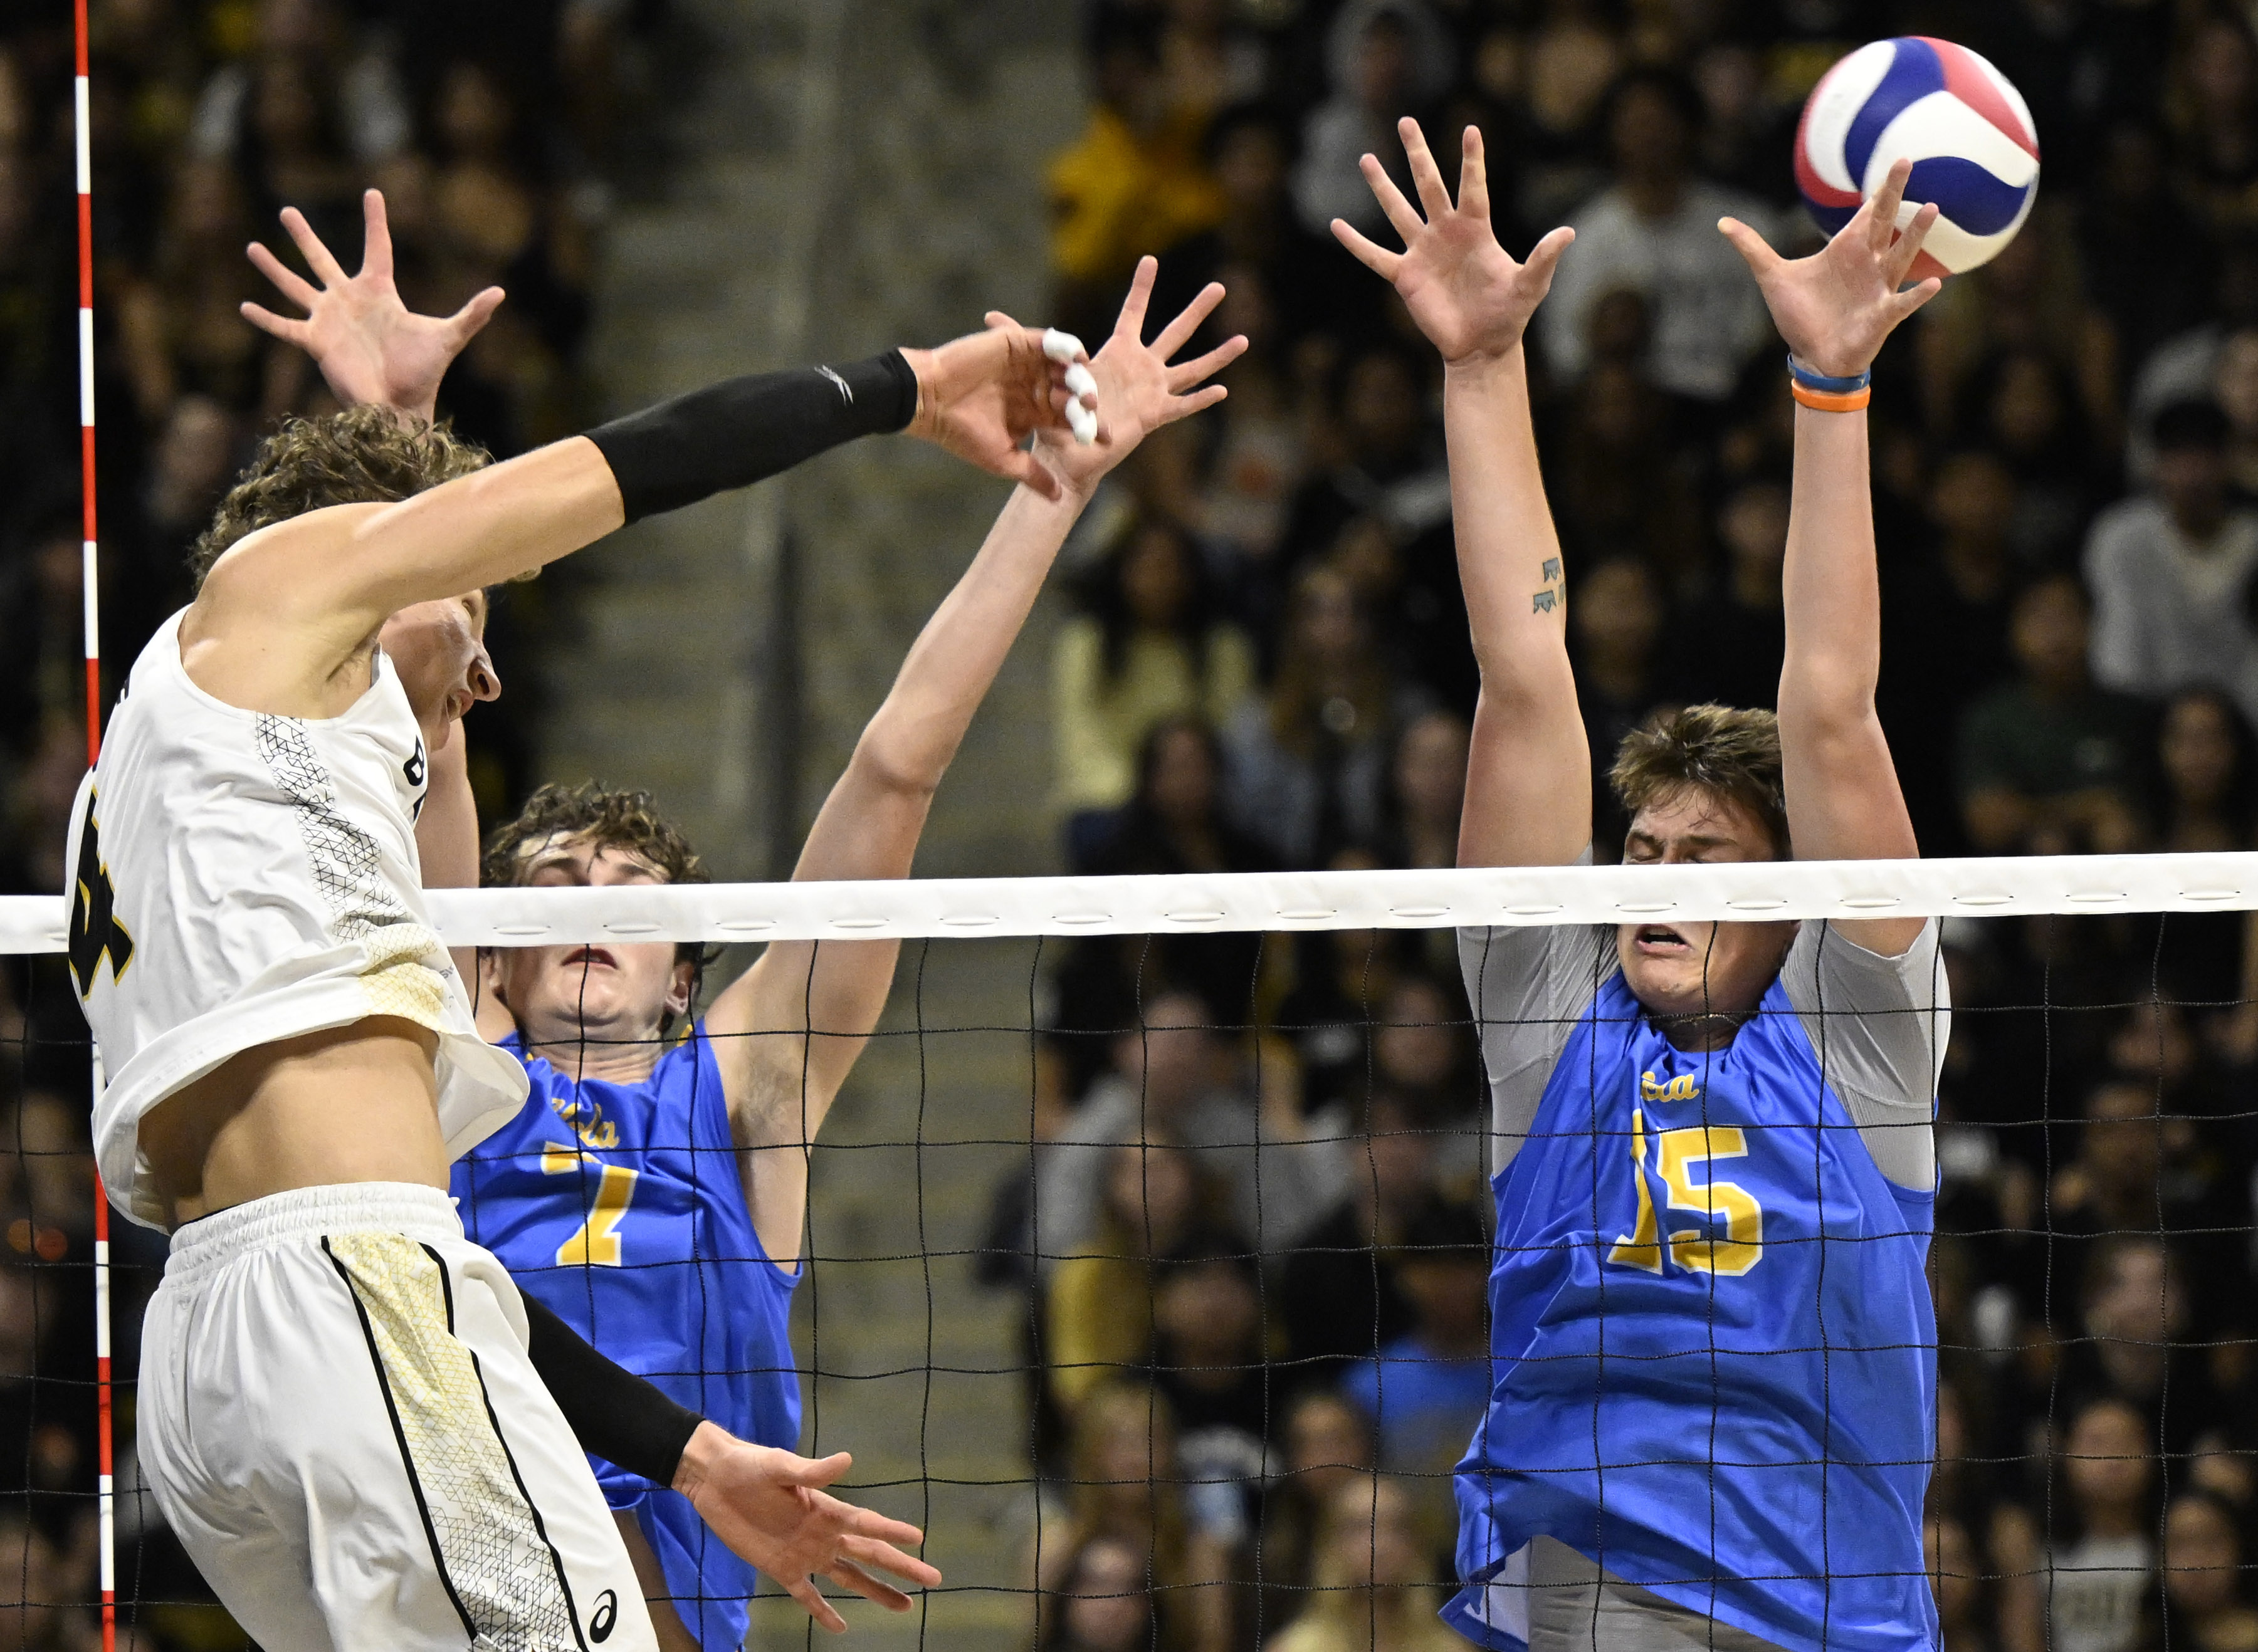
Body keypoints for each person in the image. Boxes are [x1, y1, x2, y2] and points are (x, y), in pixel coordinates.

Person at [62, 182, 1111, 1650]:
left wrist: (684, 1453)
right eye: (473, 619)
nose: (482, 676)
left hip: (224, 1357)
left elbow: (429, 891)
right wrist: (905, 385)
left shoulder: (160, 781)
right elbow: (626, 466)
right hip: (349, 1298)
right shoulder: (280, 595)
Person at [1332, 121, 1950, 1648]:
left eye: (1706, 860)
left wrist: (1830, 387)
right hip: (1586, 1583)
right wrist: (1479, 369)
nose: (1655, 886)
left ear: (1790, 897)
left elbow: (1830, 706)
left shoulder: (1864, 1033)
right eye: (1640, 855)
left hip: (1832, 1610)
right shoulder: (1552, 1024)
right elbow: (1523, 681)